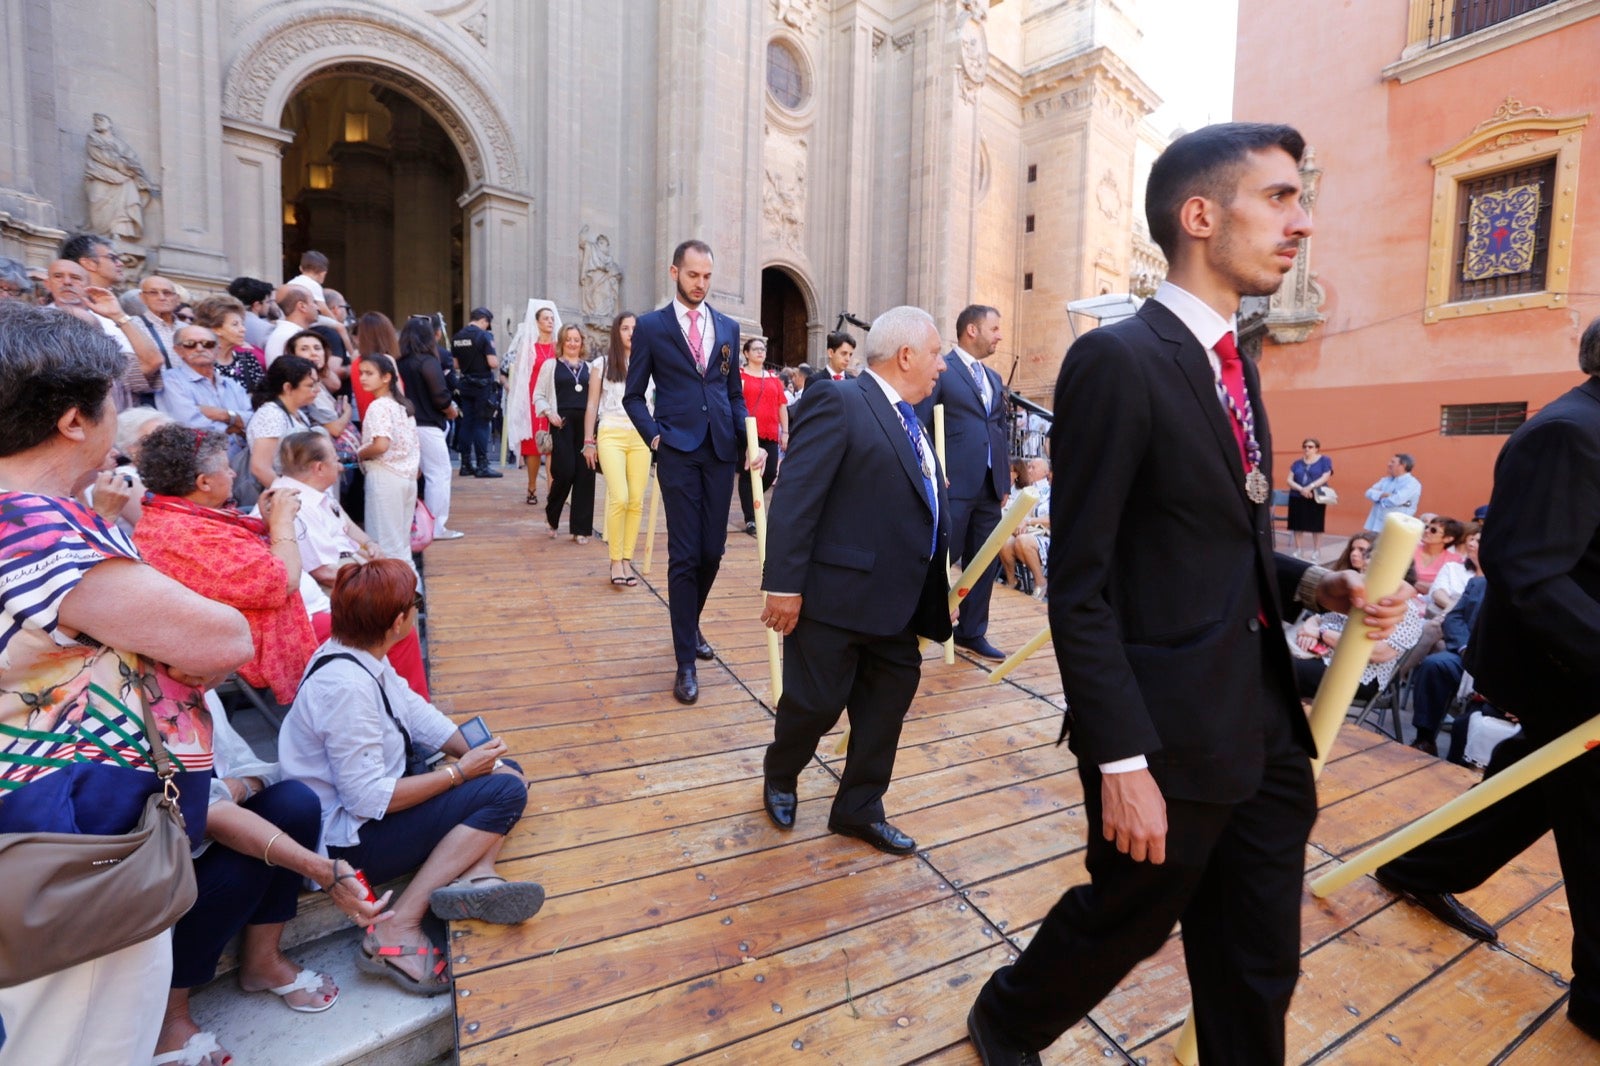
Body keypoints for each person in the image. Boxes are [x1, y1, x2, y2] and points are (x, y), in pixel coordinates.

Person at [965, 123, 1417, 1066]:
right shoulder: (1118, 360)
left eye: (1303, 199)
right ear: (1201, 216)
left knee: (1258, 959)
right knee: (1130, 916)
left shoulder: (1235, 365)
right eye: (1282, 198)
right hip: (1164, 728)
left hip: (1260, 717)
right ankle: (1008, 1018)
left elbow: (1215, 542)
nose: (1304, 223)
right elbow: (1082, 584)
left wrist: (1316, 582)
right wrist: (1121, 762)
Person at [0, 304, 252, 1063]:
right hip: (70, 837)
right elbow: (224, 636)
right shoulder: (35, 527)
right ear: (75, 420)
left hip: (54, 829)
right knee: (85, 1039)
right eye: (118, 399)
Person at [1372, 320, 1600, 1044]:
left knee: (1536, 780)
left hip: (1579, 665)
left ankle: (1418, 866)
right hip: (1564, 665)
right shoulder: (1570, 433)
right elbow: (1528, 568)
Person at [278, 560, 545, 996]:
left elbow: (421, 718)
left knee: (505, 774)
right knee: (505, 791)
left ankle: (475, 871)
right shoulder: (346, 687)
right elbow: (366, 799)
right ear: (399, 620)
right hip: (348, 841)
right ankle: (397, 926)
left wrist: (479, 754)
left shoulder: (357, 658)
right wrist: (460, 773)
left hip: (368, 814)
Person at [759, 305, 952, 855]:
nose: (941, 367)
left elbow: (923, 509)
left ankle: (858, 808)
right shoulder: (840, 400)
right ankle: (782, 772)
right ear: (907, 355)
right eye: (936, 354)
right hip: (834, 601)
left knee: (886, 708)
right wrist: (783, 585)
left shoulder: (913, 418)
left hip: (899, 604)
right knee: (815, 705)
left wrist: (937, 589)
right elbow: (796, 497)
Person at [155, 705, 390, 1066]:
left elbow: (255, 771)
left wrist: (240, 786)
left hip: (210, 832)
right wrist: (323, 870)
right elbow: (195, 811)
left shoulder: (200, 692)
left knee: (294, 803)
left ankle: (262, 960)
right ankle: (168, 1018)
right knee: (241, 867)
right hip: (155, 862)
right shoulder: (133, 696)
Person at [623, 240, 765, 704]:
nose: (701, 284)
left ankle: (689, 623)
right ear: (674, 273)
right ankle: (685, 659)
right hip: (678, 450)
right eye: (692, 276)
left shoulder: (727, 327)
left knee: (713, 550)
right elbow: (632, 395)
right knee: (684, 556)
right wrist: (655, 436)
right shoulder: (650, 327)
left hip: (722, 449)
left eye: (707, 276)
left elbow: (733, 392)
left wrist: (750, 441)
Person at [134, 423, 319, 706]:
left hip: (233, 631)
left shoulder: (171, 515)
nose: (233, 473)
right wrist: (282, 522)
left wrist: (268, 525)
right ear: (204, 482)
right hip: (240, 645)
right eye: (226, 467)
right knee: (373, 621)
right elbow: (283, 581)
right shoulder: (186, 533)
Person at [916, 303, 1010, 661]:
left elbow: (999, 429)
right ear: (972, 330)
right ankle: (918, 621)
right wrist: (935, 472)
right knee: (941, 557)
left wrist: (1002, 480)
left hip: (989, 486)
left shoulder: (995, 378)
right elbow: (923, 423)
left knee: (984, 561)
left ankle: (972, 631)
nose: (1000, 335)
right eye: (995, 328)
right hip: (952, 483)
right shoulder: (943, 369)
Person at [583, 311, 651, 586]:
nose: (631, 333)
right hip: (610, 432)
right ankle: (614, 561)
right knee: (619, 497)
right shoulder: (601, 364)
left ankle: (626, 560)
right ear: (616, 332)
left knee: (636, 500)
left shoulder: (649, 362)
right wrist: (589, 441)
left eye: (635, 328)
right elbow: (591, 405)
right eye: (625, 328)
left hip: (641, 436)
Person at [397, 316, 463, 540]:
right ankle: (436, 526)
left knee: (412, 474)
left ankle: (413, 522)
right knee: (439, 474)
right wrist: (450, 409)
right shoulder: (427, 362)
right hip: (428, 424)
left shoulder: (400, 362)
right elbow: (440, 396)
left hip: (407, 423)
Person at [356, 353, 422, 579]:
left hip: (385, 477)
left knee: (387, 545)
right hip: (406, 477)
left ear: (386, 377)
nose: (363, 378)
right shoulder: (401, 406)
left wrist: (360, 452)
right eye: (361, 373)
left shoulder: (379, 406)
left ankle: (401, 597)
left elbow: (381, 444)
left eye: (368, 373)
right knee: (401, 544)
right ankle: (411, 594)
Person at [536, 323, 598, 543]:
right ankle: (552, 516)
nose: (572, 343)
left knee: (585, 473)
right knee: (565, 472)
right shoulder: (550, 365)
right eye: (568, 339)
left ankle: (580, 529)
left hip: (587, 426)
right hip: (561, 423)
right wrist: (548, 412)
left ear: (582, 343)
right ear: (562, 342)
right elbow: (539, 395)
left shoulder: (591, 368)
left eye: (576, 339)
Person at [154, 323, 253, 448]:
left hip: (242, 459)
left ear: (217, 350)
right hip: (201, 461)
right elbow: (191, 427)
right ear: (178, 351)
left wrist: (223, 415)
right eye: (190, 344)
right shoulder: (171, 381)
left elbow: (254, 421)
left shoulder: (231, 384)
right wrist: (236, 427)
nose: (200, 348)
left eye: (208, 344)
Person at [245, 354, 321, 492]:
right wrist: (291, 496)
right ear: (288, 387)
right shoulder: (271, 415)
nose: (317, 389)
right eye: (310, 385)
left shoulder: (298, 413)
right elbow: (260, 467)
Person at [737, 336, 789, 536]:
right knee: (748, 472)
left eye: (763, 349)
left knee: (769, 473)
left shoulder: (773, 378)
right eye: (756, 349)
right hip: (746, 433)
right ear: (747, 353)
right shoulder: (740, 376)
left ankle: (753, 502)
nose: (760, 352)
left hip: (769, 432)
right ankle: (751, 518)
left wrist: (785, 431)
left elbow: (782, 405)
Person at [451, 307, 503, 478]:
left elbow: (456, 365)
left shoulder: (457, 336)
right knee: (482, 423)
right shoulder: (484, 336)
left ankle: (465, 464)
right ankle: (482, 465)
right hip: (482, 386)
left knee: (467, 423)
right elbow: (493, 362)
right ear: (484, 321)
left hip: (465, 384)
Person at [516, 303, 559, 505]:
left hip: (555, 399)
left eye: (552, 318)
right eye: (545, 318)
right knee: (534, 447)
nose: (550, 321)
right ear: (537, 322)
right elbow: (521, 376)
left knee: (553, 447)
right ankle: (532, 486)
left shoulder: (559, 346)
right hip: (534, 400)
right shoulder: (530, 348)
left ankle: (552, 491)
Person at [193, 293, 266, 395]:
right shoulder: (202, 364)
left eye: (242, 324)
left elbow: (262, 396)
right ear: (216, 329)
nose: (243, 329)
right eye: (235, 324)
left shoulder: (248, 359)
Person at [998, 456, 1051, 598]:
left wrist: (1028, 521)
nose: (1029, 470)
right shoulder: (1027, 490)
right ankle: (1012, 581)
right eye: (1028, 467)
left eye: (1033, 467)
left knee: (1023, 540)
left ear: (1045, 472)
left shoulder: (1050, 490)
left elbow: (1053, 519)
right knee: (1004, 540)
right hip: (1027, 532)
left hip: (1046, 535)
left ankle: (1041, 581)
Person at [1287, 437, 1333, 559]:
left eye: (1310, 447)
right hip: (1297, 495)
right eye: (1305, 446)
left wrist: (1309, 487)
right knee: (1297, 524)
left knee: (1316, 524)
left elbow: (1325, 476)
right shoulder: (1297, 463)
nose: (1307, 449)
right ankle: (1298, 550)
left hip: (1316, 496)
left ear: (1317, 449)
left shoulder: (1324, 460)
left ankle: (1316, 551)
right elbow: (1289, 479)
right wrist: (1301, 489)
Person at [1363, 452, 1422, 530]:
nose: (1388, 464)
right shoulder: (1386, 480)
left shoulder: (1412, 484)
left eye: (1392, 462)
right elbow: (1368, 493)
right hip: (1375, 527)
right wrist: (1385, 495)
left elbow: (1395, 501)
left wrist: (1378, 496)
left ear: (1403, 465)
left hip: (1394, 529)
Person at [1412, 515, 1465, 594]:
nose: (1426, 531)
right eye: (1426, 527)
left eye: (1433, 530)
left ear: (1448, 539)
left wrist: (1412, 582)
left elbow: (1448, 589)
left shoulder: (1454, 561)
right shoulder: (1410, 548)